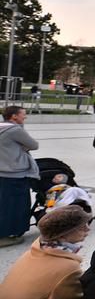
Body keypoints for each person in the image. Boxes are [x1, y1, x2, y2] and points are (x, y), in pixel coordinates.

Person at [0, 206, 91, 299]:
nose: (88, 229)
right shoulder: (68, 267)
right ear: (62, 236)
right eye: (82, 227)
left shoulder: (32, 252)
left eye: (88, 223)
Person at [0, 106, 39, 247]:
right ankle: (5, 235)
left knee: (4, 204)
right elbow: (34, 145)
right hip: (14, 173)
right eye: (23, 114)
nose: (25, 117)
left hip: (2, 172)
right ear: (14, 116)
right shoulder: (15, 130)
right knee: (14, 205)